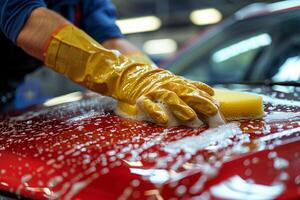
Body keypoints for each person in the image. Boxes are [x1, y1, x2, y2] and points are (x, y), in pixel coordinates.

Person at [0, 0, 220, 126]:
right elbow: (27, 20)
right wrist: (122, 77)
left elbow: (112, 40)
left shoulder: (87, 3)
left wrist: (151, 76)